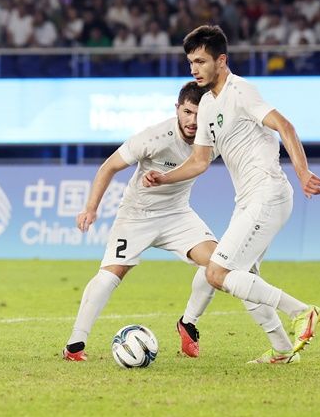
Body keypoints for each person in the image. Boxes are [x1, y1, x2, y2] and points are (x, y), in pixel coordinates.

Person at [143, 25, 320, 364]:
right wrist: (164, 178)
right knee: (242, 277)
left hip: (267, 193)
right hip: (248, 200)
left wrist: (302, 171)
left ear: (221, 60)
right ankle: (283, 351)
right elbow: (199, 161)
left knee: (217, 272)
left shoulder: (241, 91)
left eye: (200, 61)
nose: (194, 69)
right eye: (190, 63)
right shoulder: (209, 105)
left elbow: (285, 126)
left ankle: (303, 312)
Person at [63, 81, 219, 362]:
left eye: (199, 115)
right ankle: (75, 344)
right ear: (177, 109)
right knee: (110, 275)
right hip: (136, 216)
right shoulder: (154, 137)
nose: (192, 121)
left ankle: (188, 323)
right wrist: (91, 208)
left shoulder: (212, 139)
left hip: (177, 215)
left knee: (219, 262)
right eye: (187, 112)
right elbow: (108, 166)